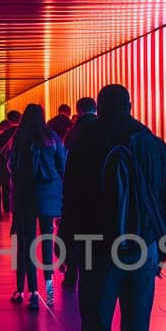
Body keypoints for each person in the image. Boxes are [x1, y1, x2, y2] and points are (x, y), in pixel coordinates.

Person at [61, 83, 166, 331]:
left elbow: (72, 201)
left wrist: (69, 251)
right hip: (141, 251)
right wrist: (160, 249)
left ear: (99, 106)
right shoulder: (155, 146)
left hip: (97, 251)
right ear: (130, 105)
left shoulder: (86, 144)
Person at [8, 104, 66, 309]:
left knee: (27, 245)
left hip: (25, 197)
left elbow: (11, 167)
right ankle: (49, 292)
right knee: (47, 244)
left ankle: (29, 292)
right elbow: (62, 165)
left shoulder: (19, 138)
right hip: (49, 196)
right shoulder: (52, 138)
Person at [60, 95, 98, 291]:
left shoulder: (73, 132)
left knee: (76, 235)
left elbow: (66, 160)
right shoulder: (102, 129)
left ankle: (71, 273)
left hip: (76, 194)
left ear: (79, 110)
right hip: (99, 195)